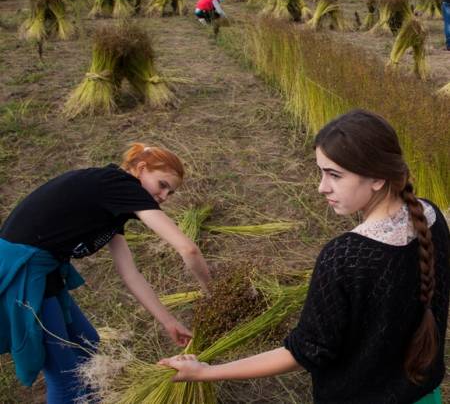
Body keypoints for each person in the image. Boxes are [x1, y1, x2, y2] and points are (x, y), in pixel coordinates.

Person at [159, 110, 449, 404]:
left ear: (377, 178)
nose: (322, 187)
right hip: (425, 395)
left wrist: (207, 372)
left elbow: (305, 352)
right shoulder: (430, 217)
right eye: (321, 172)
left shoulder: (344, 256)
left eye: (335, 175)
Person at [0, 143, 211, 404]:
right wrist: (210, 290)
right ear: (141, 169)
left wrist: (168, 321)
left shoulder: (112, 198)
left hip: (43, 270)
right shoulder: (120, 186)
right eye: (163, 184)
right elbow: (188, 249)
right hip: (21, 273)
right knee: (66, 379)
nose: (165, 196)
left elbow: (129, 273)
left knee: (87, 342)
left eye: (171, 192)